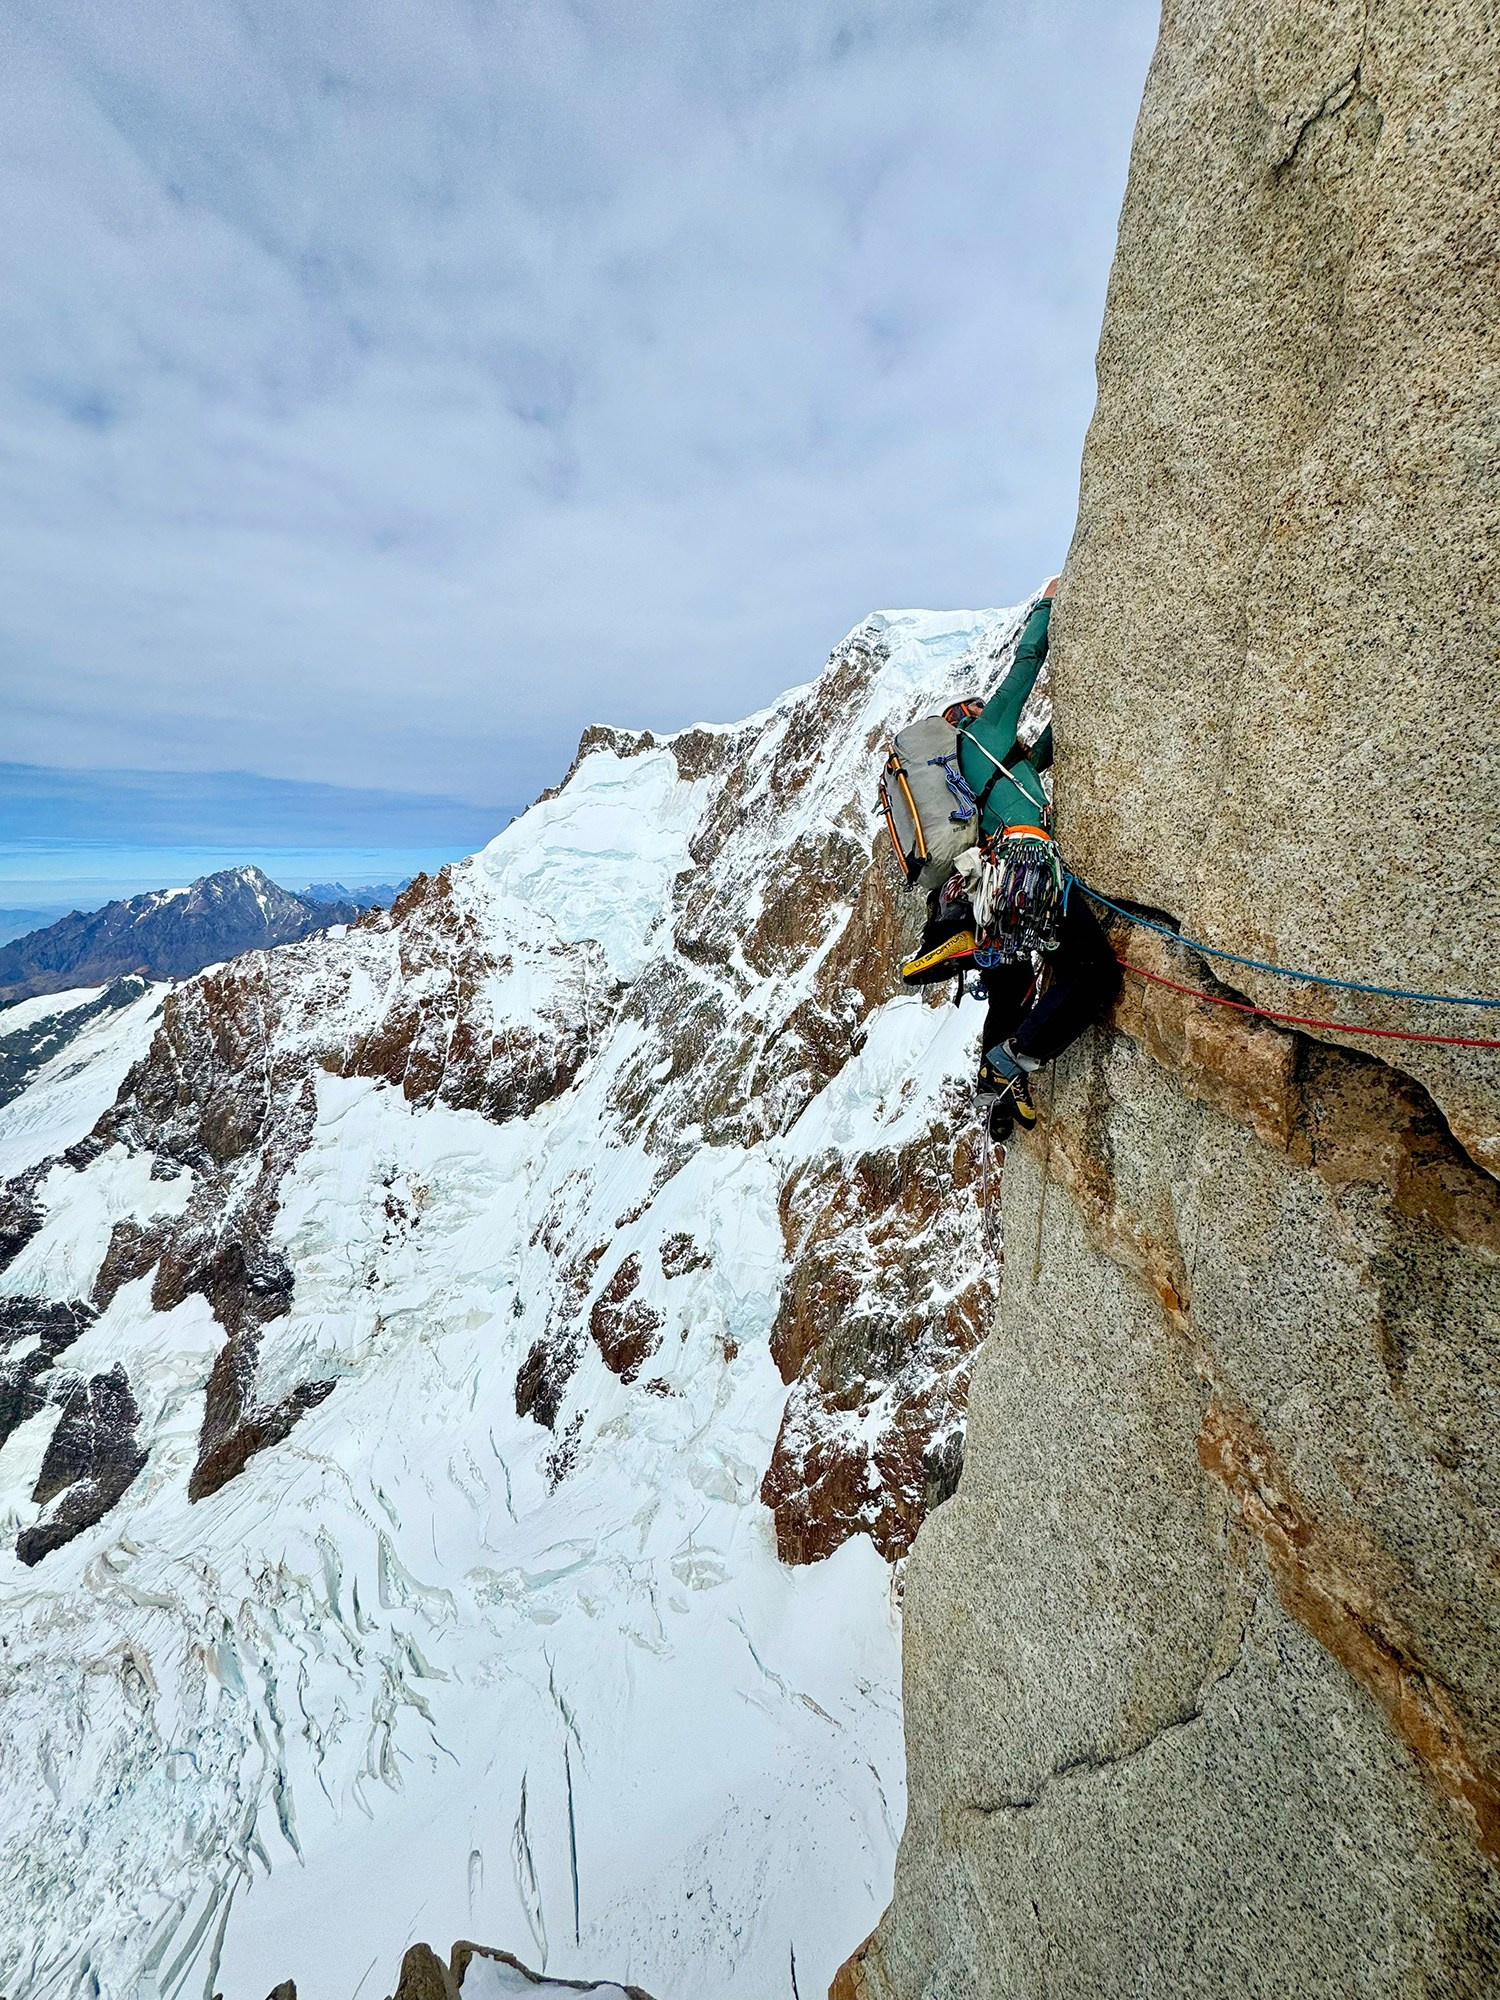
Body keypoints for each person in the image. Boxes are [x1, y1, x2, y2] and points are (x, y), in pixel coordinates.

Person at [901, 574, 1121, 1141]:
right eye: (974, 706)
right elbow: (1027, 662)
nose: (985, 705)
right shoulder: (981, 734)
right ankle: (1014, 1057)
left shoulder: (999, 768)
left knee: (1017, 976)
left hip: (1001, 878)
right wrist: (1048, 602)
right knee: (1093, 970)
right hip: (1027, 870)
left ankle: (992, 1087)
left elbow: (1047, 746)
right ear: (962, 719)